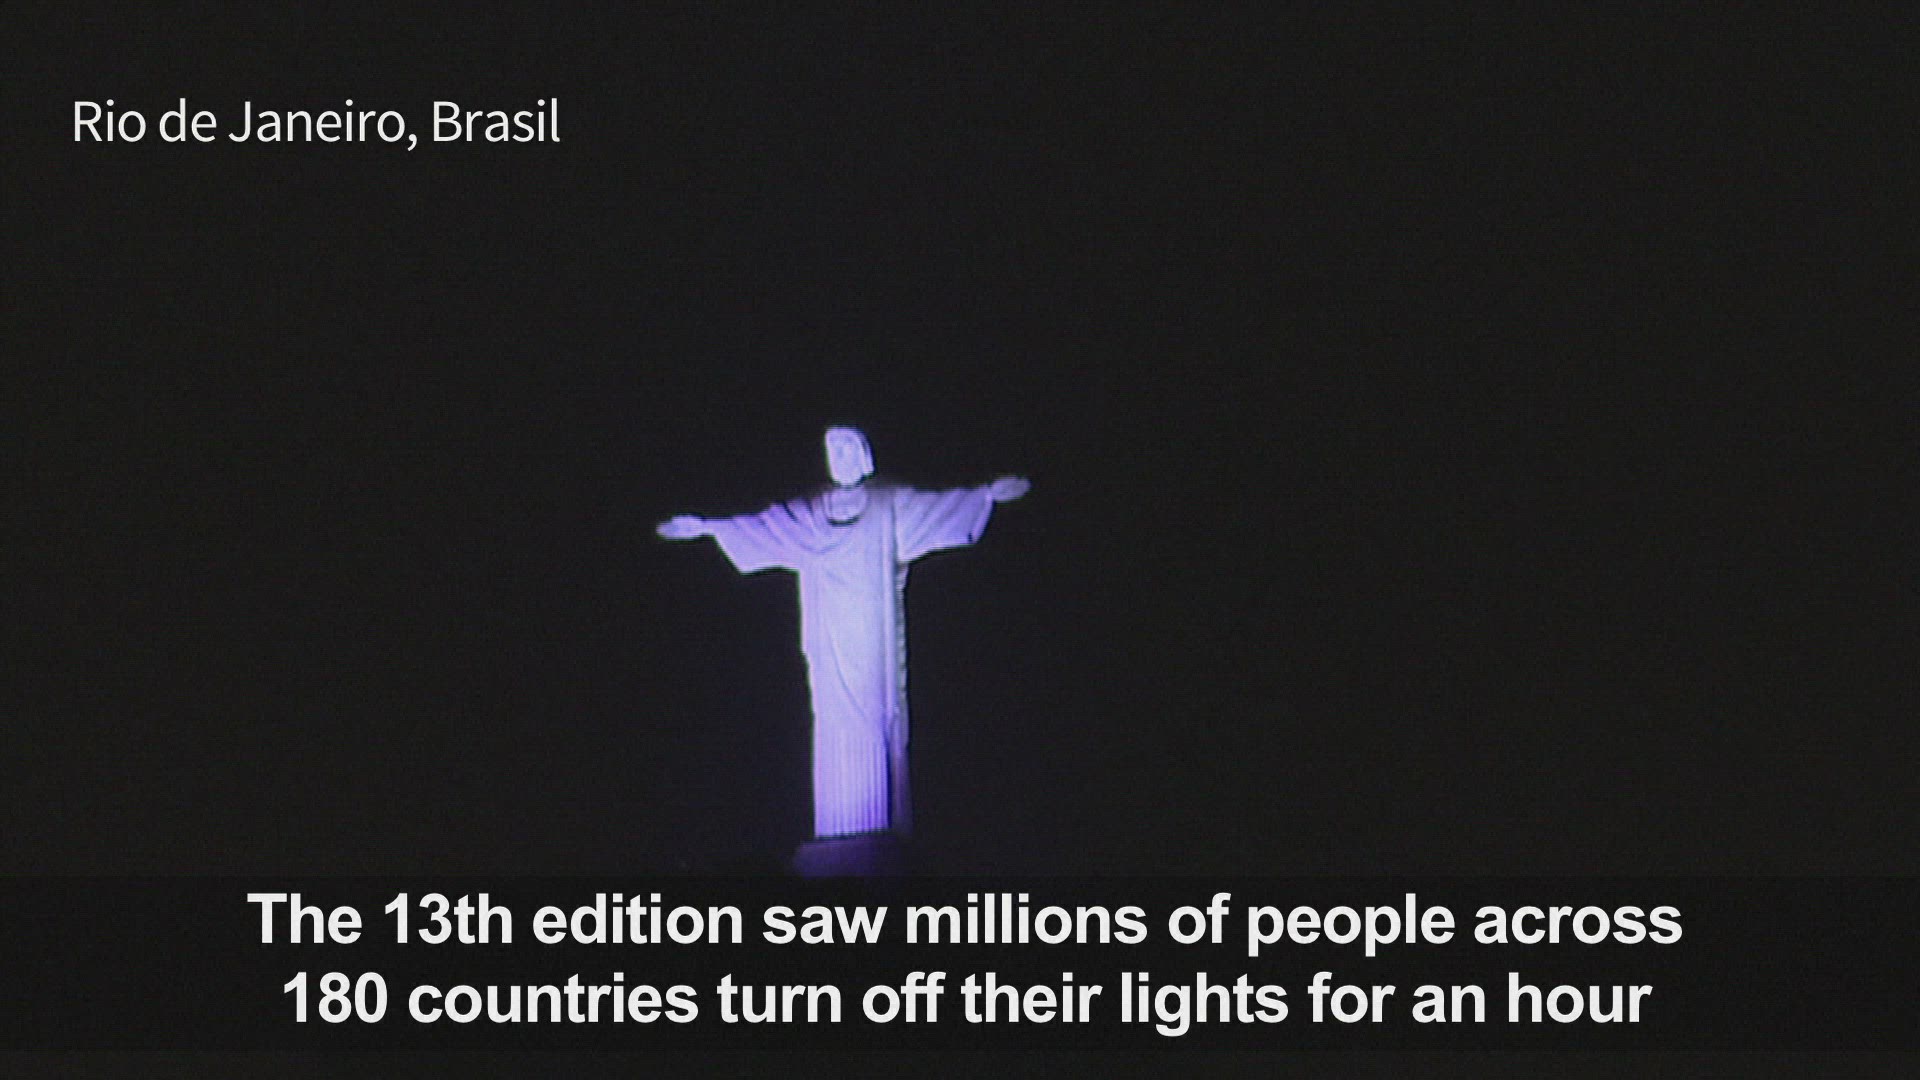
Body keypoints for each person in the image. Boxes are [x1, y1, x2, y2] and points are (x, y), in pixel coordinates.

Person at [658, 426, 1028, 838]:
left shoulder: (886, 502)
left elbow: (936, 511)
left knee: (875, 717)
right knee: (832, 721)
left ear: (864, 456)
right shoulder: (812, 511)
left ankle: (879, 831)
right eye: (833, 451)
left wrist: (986, 496)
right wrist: (708, 528)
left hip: (871, 637)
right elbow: (766, 527)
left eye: (847, 449)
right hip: (827, 638)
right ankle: (838, 834)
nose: (839, 458)